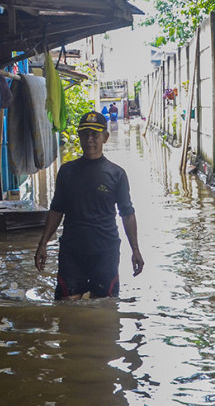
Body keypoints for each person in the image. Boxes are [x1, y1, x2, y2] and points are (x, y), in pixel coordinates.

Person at [34, 111, 143, 299]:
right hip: (72, 251)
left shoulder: (117, 174)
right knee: (66, 305)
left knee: (104, 308)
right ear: (79, 136)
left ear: (105, 138)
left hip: (105, 251)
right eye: (85, 134)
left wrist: (135, 250)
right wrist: (43, 243)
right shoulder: (67, 172)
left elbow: (127, 213)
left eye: (95, 134)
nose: (89, 139)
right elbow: (56, 209)